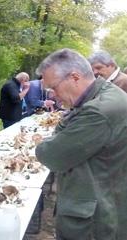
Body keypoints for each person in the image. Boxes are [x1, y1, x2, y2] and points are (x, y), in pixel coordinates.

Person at [35, 48, 127, 239]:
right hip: (105, 202)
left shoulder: (98, 111)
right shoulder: (104, 95)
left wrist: (57, 134)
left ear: (74, 77)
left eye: (54, 88)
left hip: (94, 220)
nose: (52, 95)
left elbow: (50, 155)